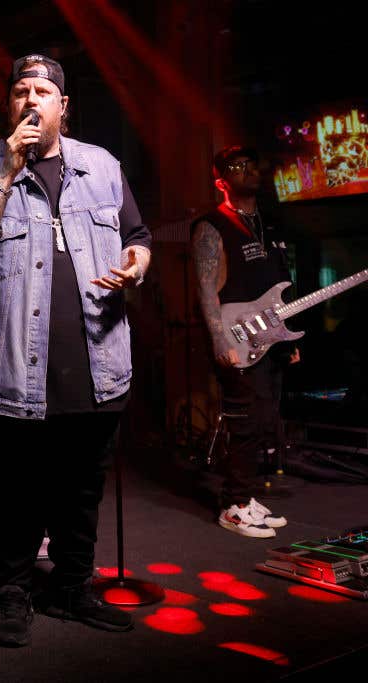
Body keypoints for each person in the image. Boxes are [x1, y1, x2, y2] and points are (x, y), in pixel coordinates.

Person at [0, 54, 151, 647]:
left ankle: (73, 586)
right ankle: (12, 593)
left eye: (43, 91)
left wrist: (138, 264)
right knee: (17, 492)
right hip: (10, 371)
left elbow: (137, 238)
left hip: (96, 362)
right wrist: (8, 170)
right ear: (8, 106)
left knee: (83, 489)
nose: (31, 99)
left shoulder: (103, 167)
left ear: (63, 105)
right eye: (19, 92)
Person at [191, 145, 297, 539]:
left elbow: (277, 288)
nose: (248, 170)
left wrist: (288, 338)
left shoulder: (268, 225)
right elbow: (205, 290)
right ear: (221, 180)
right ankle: (234, 506)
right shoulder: (211, 226)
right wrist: (219, 340)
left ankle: (248, 497)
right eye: (237, 166)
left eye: (252, 163)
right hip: (236, 339)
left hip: (271, 339)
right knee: (245, 423)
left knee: (266, 421)